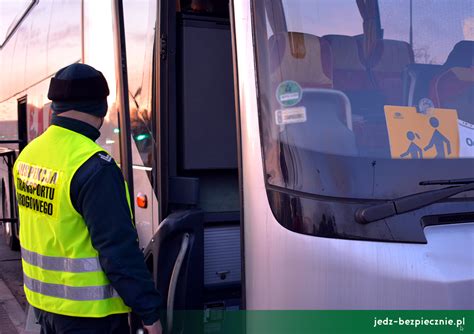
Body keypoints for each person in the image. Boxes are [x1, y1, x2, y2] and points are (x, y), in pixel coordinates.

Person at [13, 63, 162, 334]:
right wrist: (150, 313)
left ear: (55, 106)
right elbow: (118, 252)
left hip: (45, 310)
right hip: (90, 319)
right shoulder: (95, 166)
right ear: (100, 108)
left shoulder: (28, 155)